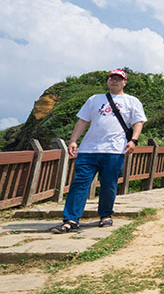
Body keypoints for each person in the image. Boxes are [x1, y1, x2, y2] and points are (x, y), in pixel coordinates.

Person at [52, 69, 146, 233]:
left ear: (124, 82)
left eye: (118, 79)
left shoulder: (132, 101)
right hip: (88, 149)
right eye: (111, 78)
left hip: (115, 150)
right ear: (108, 81)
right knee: (79, 183)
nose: (114, 81)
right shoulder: (94, 99)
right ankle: (71, 220)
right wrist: (73, 141)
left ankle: (105, 215)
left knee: (108, 185)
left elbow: (138, 122)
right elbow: (82, 121)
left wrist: (133, 140)